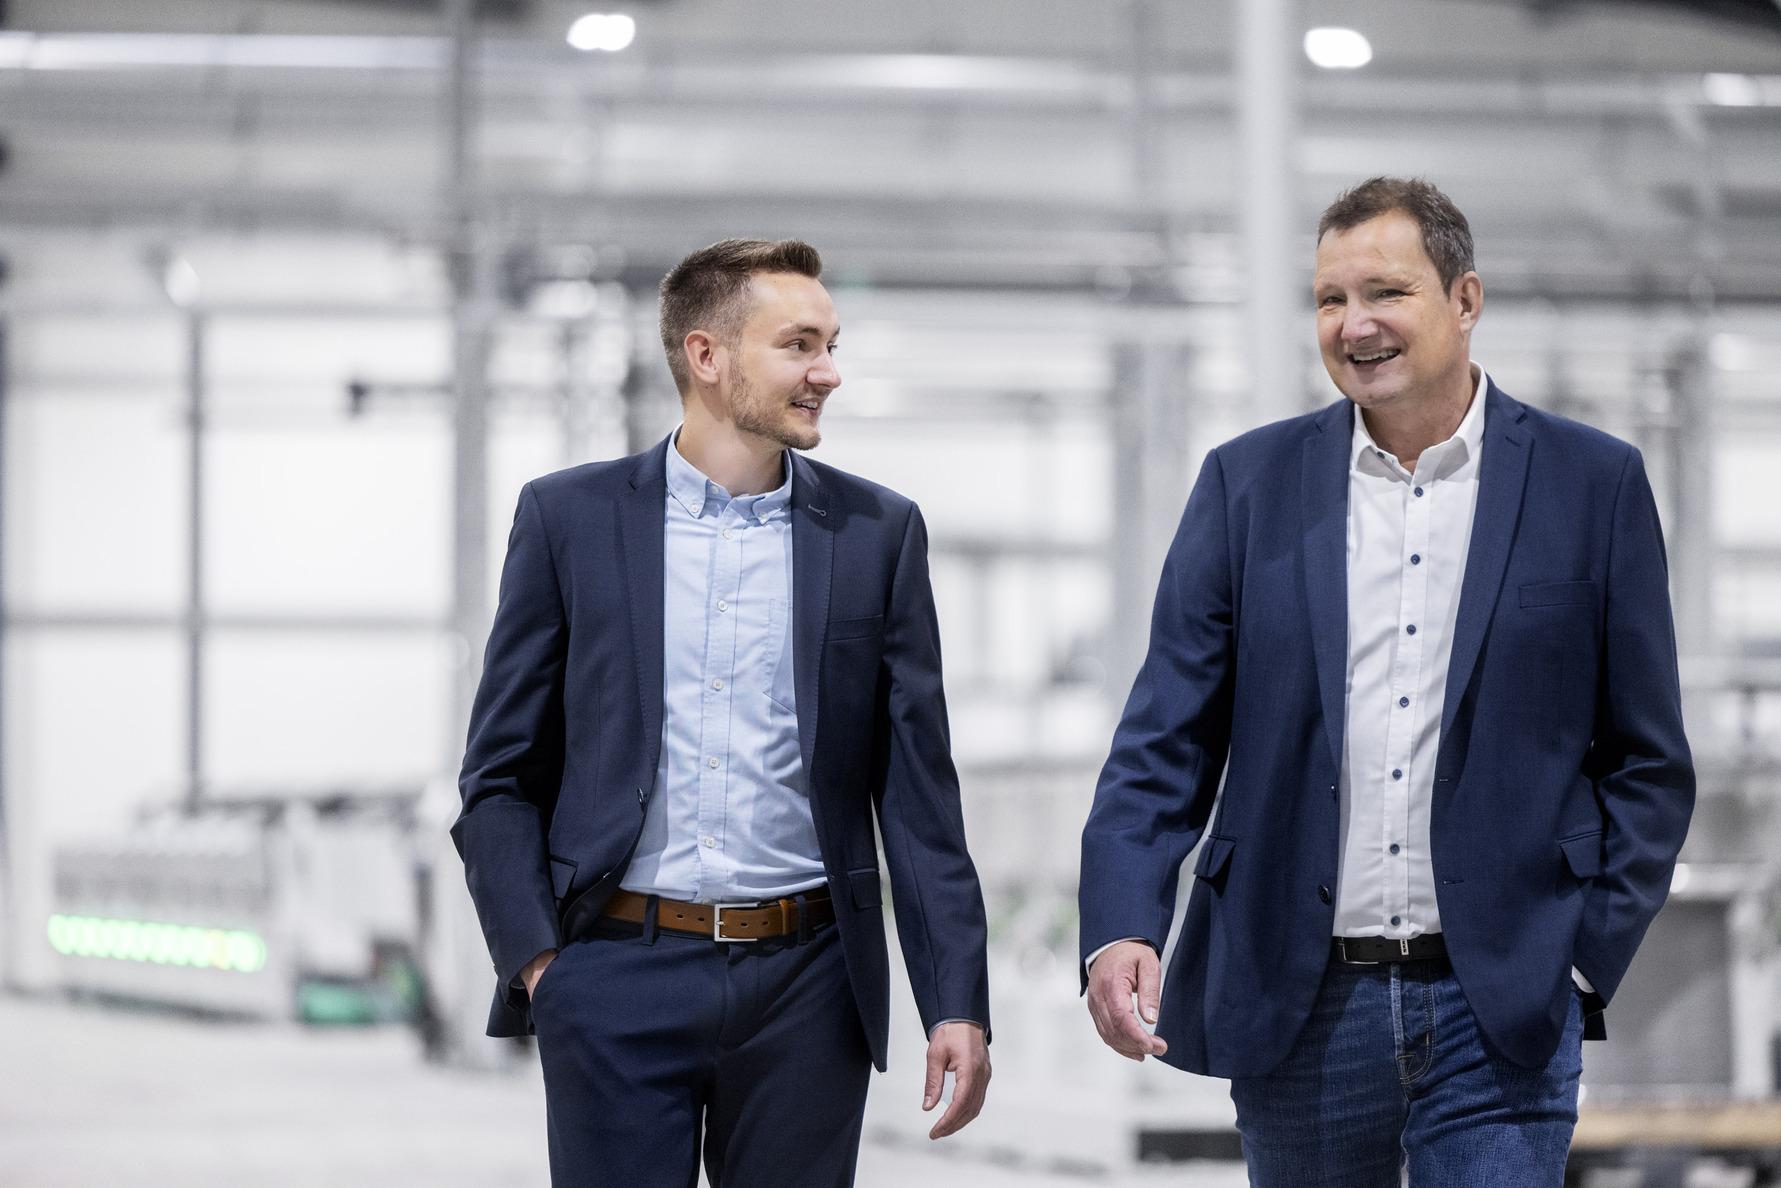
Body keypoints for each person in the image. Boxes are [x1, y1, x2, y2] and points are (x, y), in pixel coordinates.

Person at [1079, 176, 1693, 1186]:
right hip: (1300, 999)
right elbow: (1164, 740)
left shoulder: (1592, 485)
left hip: (1496, 1001)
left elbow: (1646, 758)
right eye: (1328, 300)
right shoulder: (1246, 487)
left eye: (1384, 293)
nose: (1352, 323)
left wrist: (1580, 952)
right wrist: (1117, 924)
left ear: (1464, 299)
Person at [454, 238, 991, 1188]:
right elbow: (500, 776)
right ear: (707, 356)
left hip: (808, 985)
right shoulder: (569, 520)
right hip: (615, 972)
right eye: (799, 345)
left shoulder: (877, 534)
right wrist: (544, 967)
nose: (828, 372)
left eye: (830, 344)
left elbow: (916, 798)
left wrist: (957, 1003)